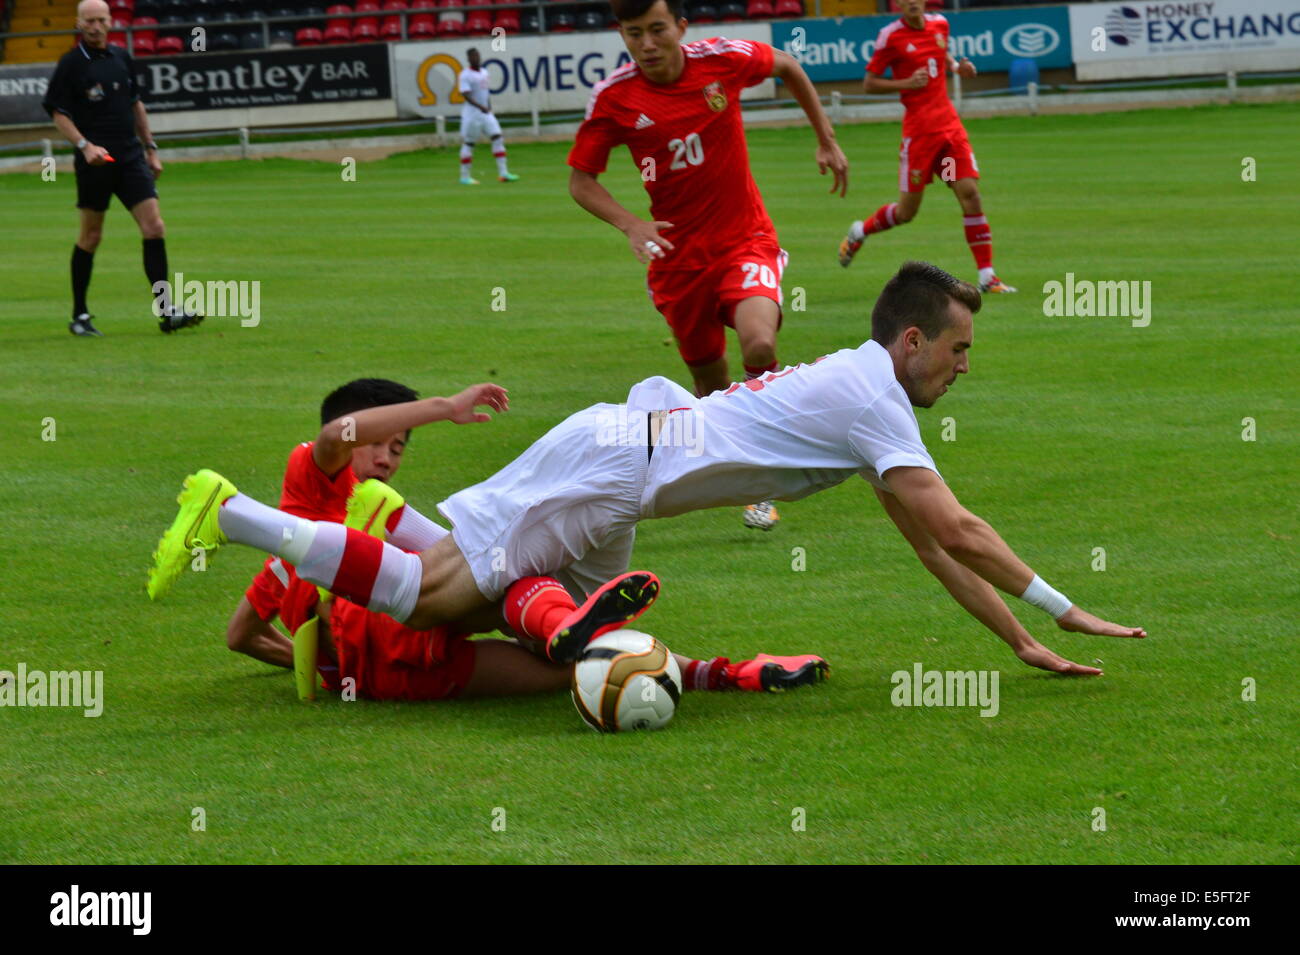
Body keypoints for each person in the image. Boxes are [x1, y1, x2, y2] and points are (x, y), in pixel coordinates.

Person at [149, 262, 1144, 677]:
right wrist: (1063, 605)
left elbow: (934, 545)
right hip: (622, 464)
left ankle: (433, 546)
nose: (963, 369)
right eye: (959, 351)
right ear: (915, 340)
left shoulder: (863, 396)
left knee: (550, 641)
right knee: (432, 601)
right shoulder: (875, 399)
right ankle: (231, 511)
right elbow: (962, 528)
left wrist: (1019, 642)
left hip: (632, 451)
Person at [214, 379, 828, 698]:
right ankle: (697, 665)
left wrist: (327, 670)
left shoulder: (358, 523)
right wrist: (437, 406)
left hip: (397, 676)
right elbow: (336, 436)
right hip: (395, 638)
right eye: (383, 442)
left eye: (400, 449)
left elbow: (242, 634)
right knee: (518, 584)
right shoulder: (315, 492)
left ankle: (731, 674)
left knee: (569, 666)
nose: (388, 458)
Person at [567, 0, 850, 530]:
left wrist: (826, 138)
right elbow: (581, 180)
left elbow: (787, 65)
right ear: (622, 35)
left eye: (657, 30)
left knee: (760, 344)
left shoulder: (721, 60)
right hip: (677, 262)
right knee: (711, 391)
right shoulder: (614, 98)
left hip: (745, 239)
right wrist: (631, 224)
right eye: (635, 34)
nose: (648, 43)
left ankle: (772, 455)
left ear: (680, 28)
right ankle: (740, 464)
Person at [41, 0, 202, 337]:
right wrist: (85, 146)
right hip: (96, 162)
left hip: (129, 157)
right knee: (91, 236)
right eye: (89, 21)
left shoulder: (122, 57)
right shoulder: (71, 64)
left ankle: (167, 310)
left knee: (154, 226)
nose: (96, 26)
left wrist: (151, 149)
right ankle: (80, 316)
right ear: (79, 23)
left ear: (111, 21)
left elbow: (136, 104)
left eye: (101, 20)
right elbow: (58, 112)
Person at [837, 0, 1016, 296]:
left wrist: (959, 67)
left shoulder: (940, 25)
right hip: (919, 137)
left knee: (970, 195)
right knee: (907, 212)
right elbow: (869, 83)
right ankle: (860, 231)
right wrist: (906, 82)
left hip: (949, 131)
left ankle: (987, 276)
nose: (911, 3)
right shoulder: (890, 36)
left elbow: (941, 54)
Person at [457, 47, 518, 185]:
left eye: (477, 55)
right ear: (468, 59)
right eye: (473, 56)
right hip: (472, 114)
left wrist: (488, 106)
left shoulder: (485, 72)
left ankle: (503, 173)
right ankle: (465, 176)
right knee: (469, 143)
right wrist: (480, 106)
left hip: (485, 113)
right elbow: (465, 95)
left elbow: (485, 93)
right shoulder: (465, 75)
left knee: (497, 137)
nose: (476, 58)